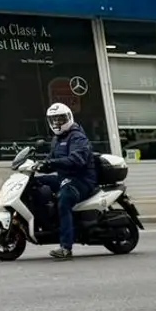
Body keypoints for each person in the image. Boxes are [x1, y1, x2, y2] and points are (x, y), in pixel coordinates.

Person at [34, 103, 97, 261]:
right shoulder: (57, 138)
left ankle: (66, 248)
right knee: (34, 183)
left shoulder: (77, 137)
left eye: (60, 119)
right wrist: (39, 165)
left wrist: (52, 164)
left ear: (69, 117)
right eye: (53, 120)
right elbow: (51, 159)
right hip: (64, 177)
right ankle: (48, 223)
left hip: (81, 179)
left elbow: (77, 160)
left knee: (64, 200)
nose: (57, 123)